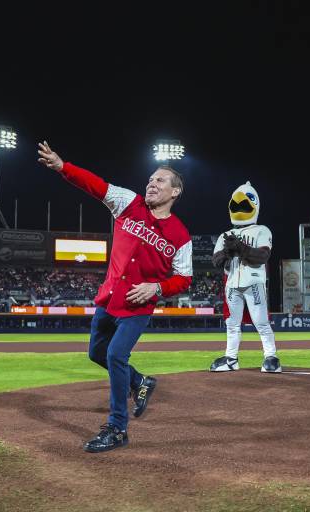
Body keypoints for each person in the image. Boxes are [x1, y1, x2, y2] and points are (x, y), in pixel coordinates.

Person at [38, 141, 192, 453]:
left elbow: (184, 278)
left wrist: (157, 288)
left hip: (138, 306)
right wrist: (62, 166)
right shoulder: (128, 203)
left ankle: (117, 428)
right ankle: (141, 382)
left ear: (175, 192)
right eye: (150, 179)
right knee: (96, 354)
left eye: (160, 180)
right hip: (109, 300)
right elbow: (96, 186)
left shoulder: (180, 235)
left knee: (115, 355)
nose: (151, 183)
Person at [210, 182, 280, 373]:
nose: (240, 208)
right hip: (232, 284)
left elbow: (263, 256)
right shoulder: (225, 234)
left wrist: (240, 247)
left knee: (261, 322)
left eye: (245, 205)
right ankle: (231, 358)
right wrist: (227, 251)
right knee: (232, 324)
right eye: (236, 205)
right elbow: (215, 262)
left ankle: (271, 357)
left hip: (253, 282)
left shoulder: (262, 230)